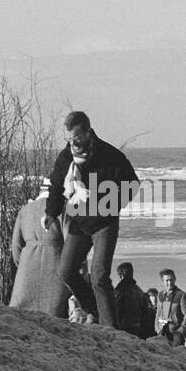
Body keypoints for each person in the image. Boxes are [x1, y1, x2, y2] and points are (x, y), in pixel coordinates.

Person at [44, 111, 139, 328]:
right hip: (80, 222)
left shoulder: (109, 155)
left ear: (88, 132)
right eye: (68, 139)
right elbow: (56, 186)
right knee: (66, 270)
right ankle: (94, 310)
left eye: (76, 138)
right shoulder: (66, 157)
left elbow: (132, 184)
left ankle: (110, 328)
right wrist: (51, 213)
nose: (73, 143)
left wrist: (109, 205)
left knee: (99, 275)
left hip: (104, 223)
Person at [8, 182, 68, 317]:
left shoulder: (25, 210)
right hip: (56, 263)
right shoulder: (63, 209)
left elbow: (16, 246)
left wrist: (22, 263)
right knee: (55, 313)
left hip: (27, 267)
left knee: (21, 314)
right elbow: (71, 243)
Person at [112, 262, 152, 339]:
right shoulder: (139, 291)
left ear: (121, 275)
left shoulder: (120, 290)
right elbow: (146, 313)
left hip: (124, 329)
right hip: (139, 329)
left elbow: (116, 309)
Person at [154, 269, 186, 347]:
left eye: (171, 280)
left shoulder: (181, 295)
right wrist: (157, 329)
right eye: (167, 280)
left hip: (176, 333)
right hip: (162, 332)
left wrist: (181, 331)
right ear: (163, 282)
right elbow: (158, 313)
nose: (170, 282)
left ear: (175, 279)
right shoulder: (160, 295)